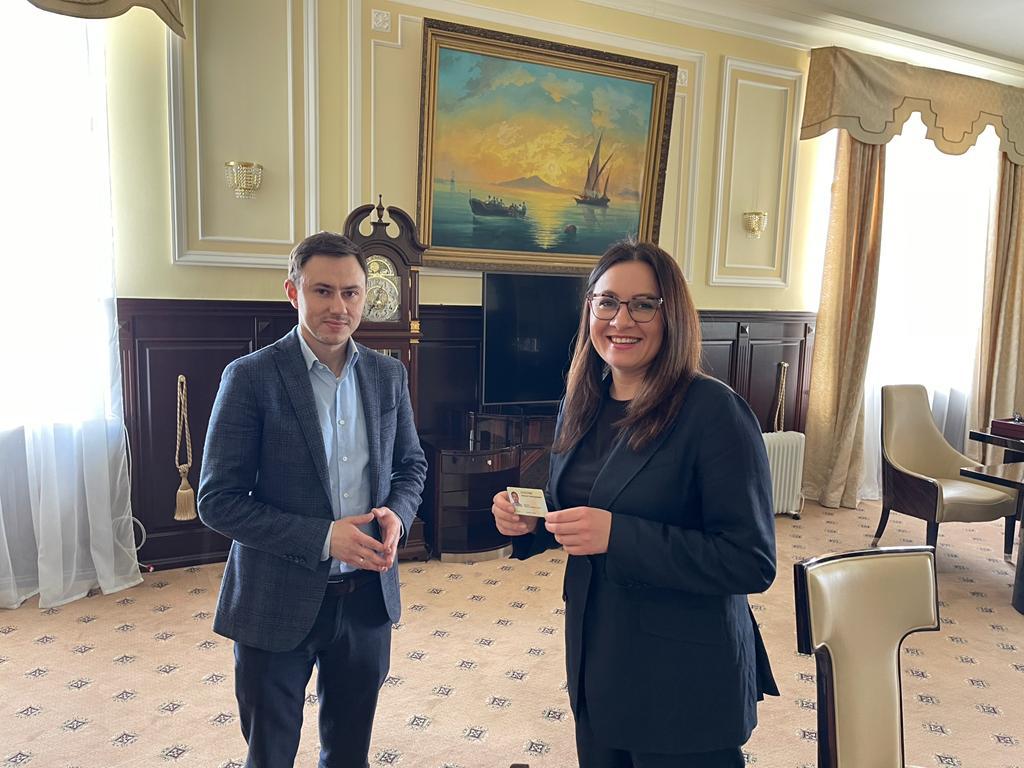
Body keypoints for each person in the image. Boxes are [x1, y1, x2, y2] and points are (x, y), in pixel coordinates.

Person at [491, 239, 778, 767]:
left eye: (643, 304)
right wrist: (530, 522)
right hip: (597, 659)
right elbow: (583, 501)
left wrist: (617, 535)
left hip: (683, 678)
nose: (621, 320)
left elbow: (751, 560)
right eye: (607, 302)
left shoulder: (715, 412)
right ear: (590, 311)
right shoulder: (581, 401)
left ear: (673, 316)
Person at [198, 231, 427, 768]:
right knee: (270, 754)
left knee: (349, 754)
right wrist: (325, 538)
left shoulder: (388, 375)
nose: (338, 307)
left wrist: (398, 513)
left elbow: (411, 466)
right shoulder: (250, 377)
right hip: (274, 597)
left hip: (366, 599)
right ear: (292, 292)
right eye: (322, 291)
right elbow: (218, 499)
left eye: (351, 292)